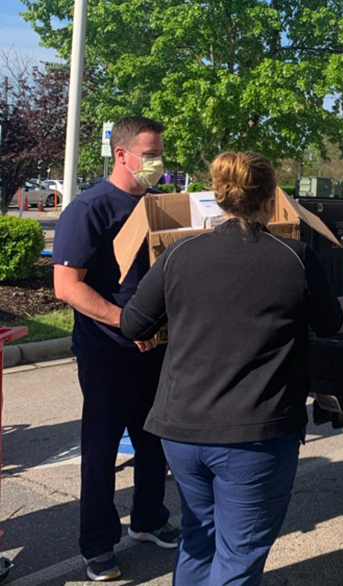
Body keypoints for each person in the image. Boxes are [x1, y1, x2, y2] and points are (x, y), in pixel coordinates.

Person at [120, 151, 343, 586]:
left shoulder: (180, 253)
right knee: (238, 557)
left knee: (199, 537)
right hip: (255, 436)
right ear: (270, 200)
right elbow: (330, 322)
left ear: (220, 198)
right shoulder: (294, 257)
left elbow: (133, 323)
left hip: (182, 430)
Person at [53, 116, 179, 581]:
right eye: (149, 154)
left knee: (154, 443)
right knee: (102, 449)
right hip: (108, 352)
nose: (157, 163)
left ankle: (149, 520)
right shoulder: (90, 209)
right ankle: (98, 545)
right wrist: (125, 323)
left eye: (160, 153)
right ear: (121, 155)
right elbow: (67, 286)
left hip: (157, 349)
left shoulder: (158, 206)